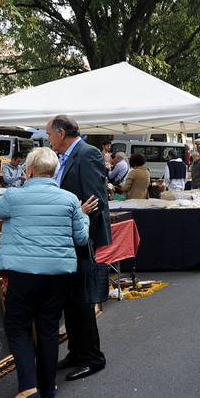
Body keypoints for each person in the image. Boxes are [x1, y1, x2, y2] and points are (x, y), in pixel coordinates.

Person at [0, 147, 90, 398]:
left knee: (17, 326)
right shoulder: (69, 199)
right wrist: (84, 217)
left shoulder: (15, 196)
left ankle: (27, 388)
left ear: (29, 170)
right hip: (59, 273)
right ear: (54, 171)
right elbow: (80, 238)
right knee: (47, 327)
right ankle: (47, 386)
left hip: (25, 272)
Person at [46, 115, 111, 382]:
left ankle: (92, 357)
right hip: (69, 239)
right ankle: (76, 351)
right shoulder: (67, 157)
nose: (47, 138)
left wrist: (82, 235)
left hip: (80, 240)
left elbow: (95, 201)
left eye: (49, 133)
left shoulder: (88, 153)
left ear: (61, 133)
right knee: (71, 300)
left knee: (82, 300)